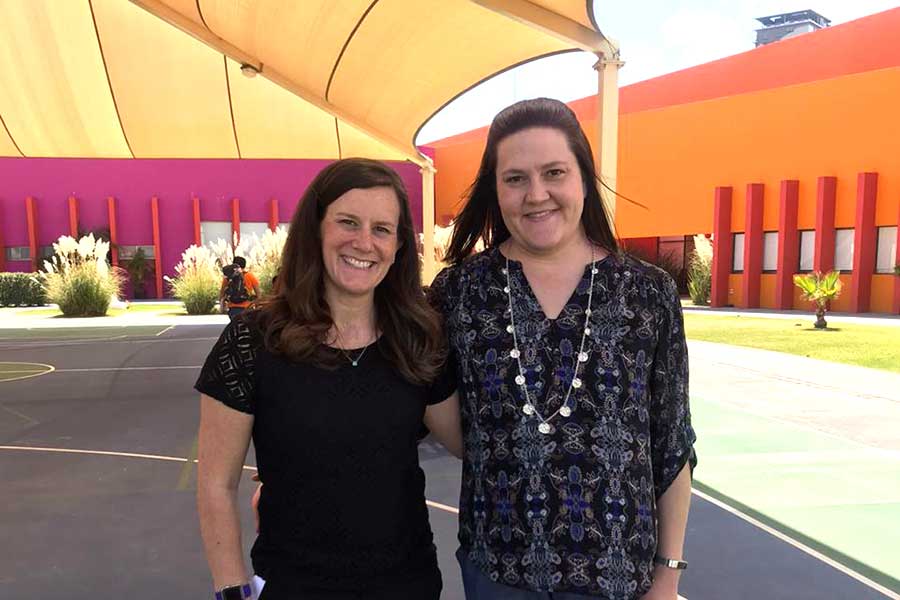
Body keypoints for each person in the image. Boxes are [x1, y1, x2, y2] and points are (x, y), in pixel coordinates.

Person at [429, 97, 696, 600]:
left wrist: (668, 574)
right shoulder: (459, 292)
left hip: (621, 578)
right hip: (498, 571)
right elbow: (414, 397)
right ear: (496, 188)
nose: (537, 195)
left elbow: (672, 443)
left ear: (583, 178)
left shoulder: (648, 293)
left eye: (554, 172)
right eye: (515, 178)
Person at [195, 158, 462, 600]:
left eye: (382, 229)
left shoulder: (418, 339)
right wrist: (231, 591)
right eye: (347, 222)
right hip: (294, 584)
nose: (364, 242)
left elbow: (467, 441)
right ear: (315, 230)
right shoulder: (253, 342)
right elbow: (216, 485)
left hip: (406, 583)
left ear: (398, 246)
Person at [220, 256, 261, 320]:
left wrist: (222, 306)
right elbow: (259, 294)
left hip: (232, 308)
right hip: (247, 308)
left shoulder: (228, 277)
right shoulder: (250, 276)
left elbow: (222, 293)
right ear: (244, 265)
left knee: (235, 326)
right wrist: (258, 306)